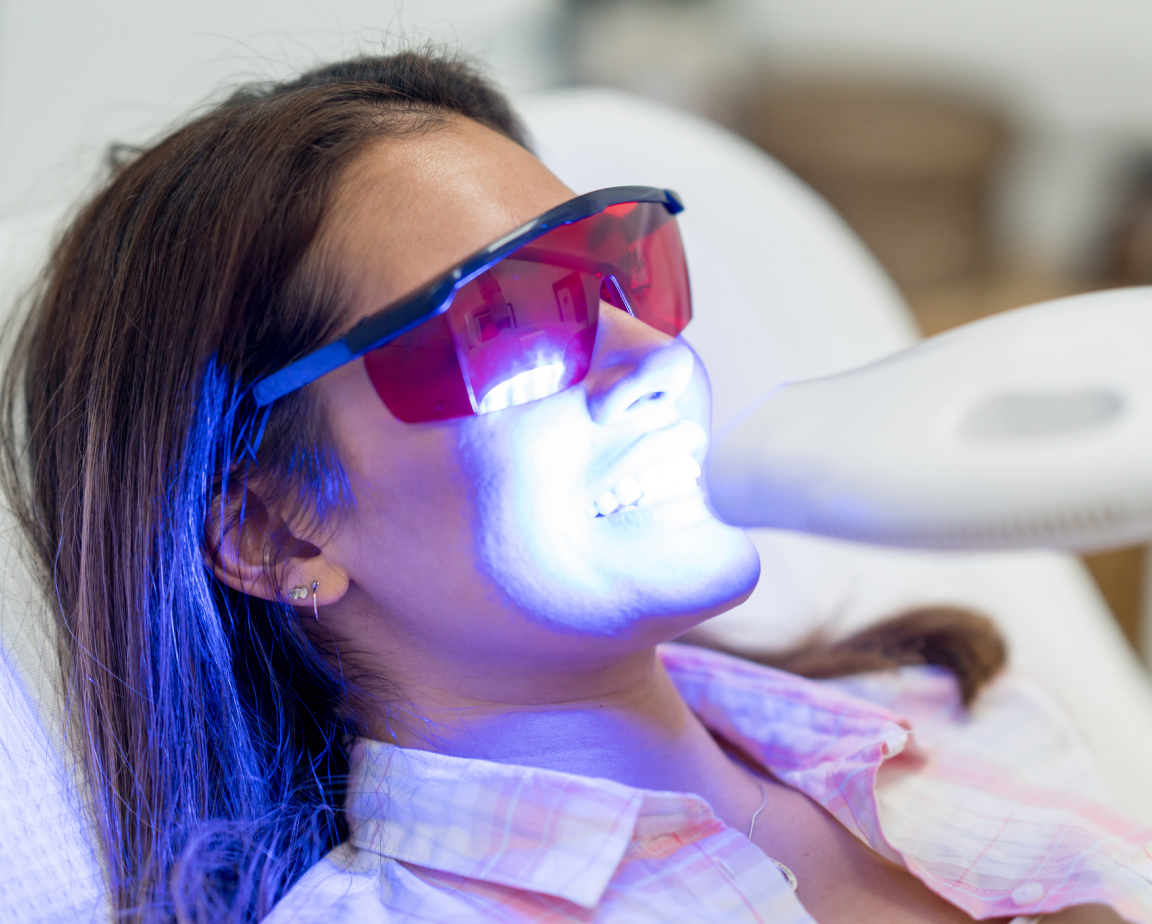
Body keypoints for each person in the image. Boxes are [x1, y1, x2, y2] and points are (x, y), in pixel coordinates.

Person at [1, 49, 1147, 924]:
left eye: (621, 274)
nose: (653, 359)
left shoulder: (942, 706)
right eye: (506, 326)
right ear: (274, 530)